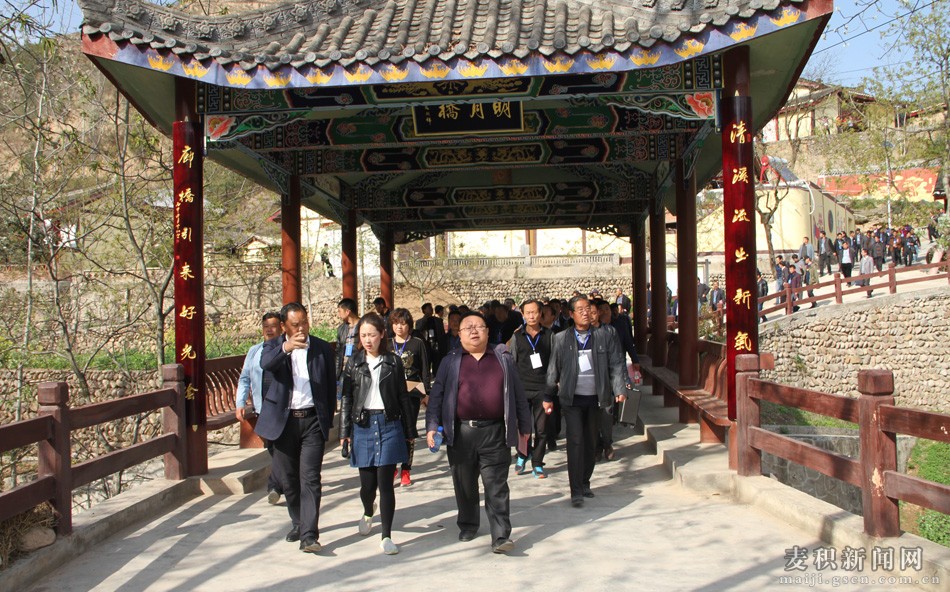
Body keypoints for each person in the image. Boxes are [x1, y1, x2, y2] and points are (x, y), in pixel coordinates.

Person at [425, 312, 532, 554]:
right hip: (461, 432)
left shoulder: (502, 357)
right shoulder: (450, 361)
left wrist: (525, 427)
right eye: (468, 327)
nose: (474, 331)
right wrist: (432, 426)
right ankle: (468, 523)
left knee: (496, 485)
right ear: (459, 334)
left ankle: (501, 535)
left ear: (487, 331)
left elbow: (518, 394)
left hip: (495, 432)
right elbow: (437, 396)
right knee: (464, 484)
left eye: (479, 326)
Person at [256, 302, 337, 553]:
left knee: (310, 478)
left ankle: (309, 535)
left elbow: (330, 386)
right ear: (284, 326)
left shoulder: (322, 348)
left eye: (304, 322)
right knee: (289, 480)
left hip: (312, 421)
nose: (301, 328)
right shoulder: (273, 346)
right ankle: (299, 523)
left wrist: (328, 420)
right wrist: (286, 348)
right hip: (284, 423)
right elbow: (266, 364)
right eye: (295, 324)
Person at [340, 313, 416, 555]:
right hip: (363, 425)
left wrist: (410, 430)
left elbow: (403, 397)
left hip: (389, 424)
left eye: (372, 335)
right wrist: (345, 431)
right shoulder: (354, 363)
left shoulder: (393, 362)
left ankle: (386, 536)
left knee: (386, 484)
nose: (367, 340)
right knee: (367, 486)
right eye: (363, 335)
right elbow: (347, 398)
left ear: (382, 334)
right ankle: (367, 510)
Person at [545, 296, 627, 508]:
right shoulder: (561, 338)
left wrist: (619, 388)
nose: (585, 312)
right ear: (571, 314)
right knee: (575, 441)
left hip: (596, 398)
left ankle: (585, 482)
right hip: (572, 399)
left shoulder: (604, 335)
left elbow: (616, 363)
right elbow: (553, 369)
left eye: (588, 308)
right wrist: (548, 396)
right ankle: (576, 490)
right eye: (580, 309)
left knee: (591, 442)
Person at [235, 312, 284, 504]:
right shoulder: (254, 351)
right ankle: (283, 482)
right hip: (264, 408)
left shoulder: (286, 349)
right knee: (272, 447)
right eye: (266, 326)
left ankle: (275, 486)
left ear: (281, 327)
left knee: (282, 447)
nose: (269, 330)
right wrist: (240, 403)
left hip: (284, 408)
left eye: (273, 326)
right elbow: (245, 378)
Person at [506, 300, 556, 478]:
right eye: (528, 313)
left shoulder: (549, 335)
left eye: (535, 312)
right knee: (523, 428)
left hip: (542, 388)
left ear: (540, 313)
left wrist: (553, 386)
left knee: (541, 429)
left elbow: (554, 363)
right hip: (522, 388)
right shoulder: (517, 336)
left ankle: (537, 463)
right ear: (522, 314)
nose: (532, 316)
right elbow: (512, 362)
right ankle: (522, 454)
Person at [389, 308, 429, 486]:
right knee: (392, 432)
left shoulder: (417, 343)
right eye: (396, 323)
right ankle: (392, 467)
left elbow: (425, 369)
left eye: (403, 323)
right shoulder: (387, 344)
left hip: (411, 393)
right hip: (390, 394)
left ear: (409, 325)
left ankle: (406, 469)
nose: (399, 327)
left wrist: (425, 393)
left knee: (409, 432)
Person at [335, 298, 360, 400]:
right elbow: (338, 352)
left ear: (347, 311)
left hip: (359, 369)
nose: (338, 314)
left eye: (339, 311)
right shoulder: (341, 329)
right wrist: (337, 374)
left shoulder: (364, 326)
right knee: (344, 399)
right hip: (345, 371)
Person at [415, 302, 446, 375]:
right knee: (426, 363)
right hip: (426, 345)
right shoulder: (419, 321)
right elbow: (418, 330)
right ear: (424, 310)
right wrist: (426, 318)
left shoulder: (438, 320)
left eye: (432, 308)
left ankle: (436, 376)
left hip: (436, 344)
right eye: (429, 308)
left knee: (437, 363)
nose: (431, 309)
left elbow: (442, 333)